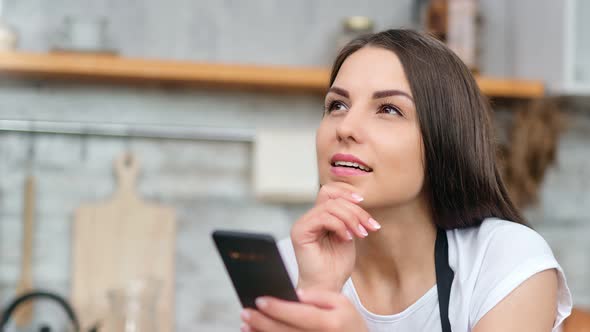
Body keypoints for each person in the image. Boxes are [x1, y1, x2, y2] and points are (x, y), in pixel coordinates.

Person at [239, 29, 572, 332]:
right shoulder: (291, 261)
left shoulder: (504, 260)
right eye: (337, 105)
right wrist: (314, 292)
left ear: (444, 139)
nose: (345, 127)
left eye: (388, 109)